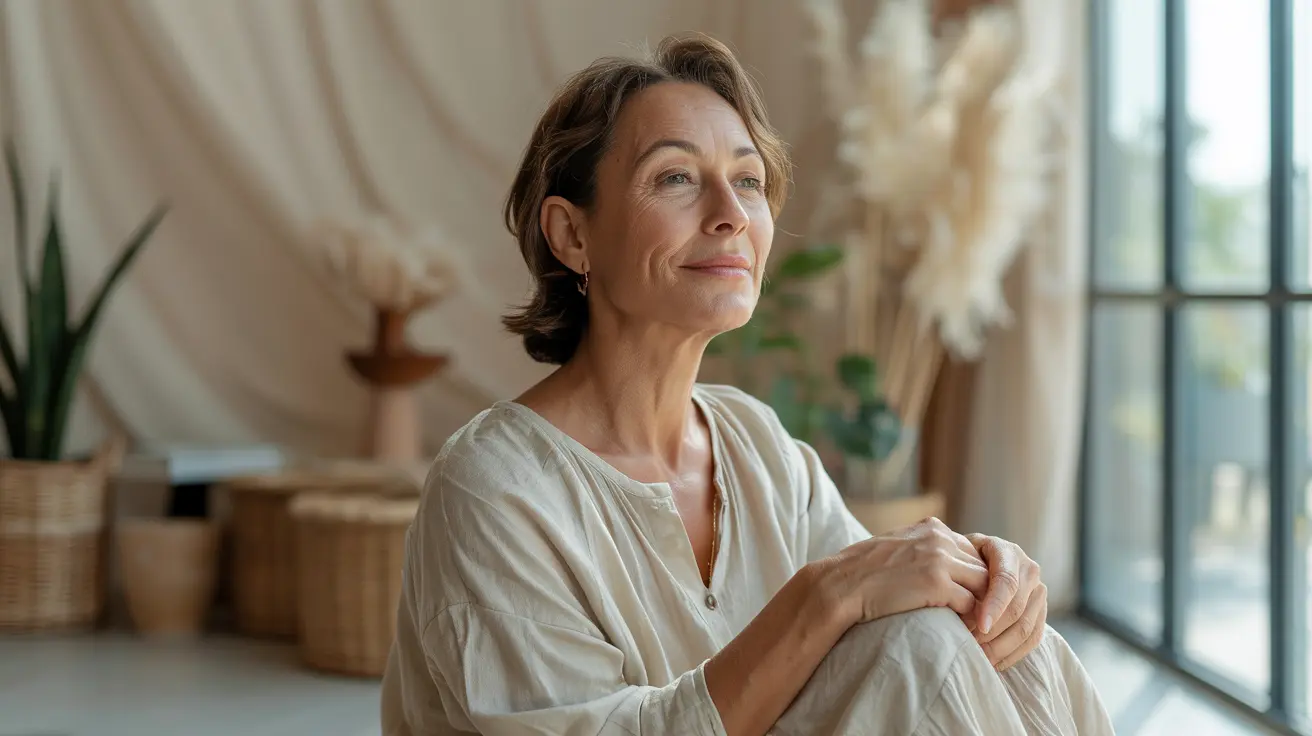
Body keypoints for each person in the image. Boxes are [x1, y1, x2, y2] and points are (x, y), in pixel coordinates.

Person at [381, 33, 1112, 736]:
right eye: (675, 177)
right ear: (572, 235)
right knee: (926, 645)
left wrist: (981, 577)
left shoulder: (753, 441)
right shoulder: (494, 488)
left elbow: (892, 610)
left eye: (749, 181)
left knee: (985, 630)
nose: (731, 215)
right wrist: (827, 595)